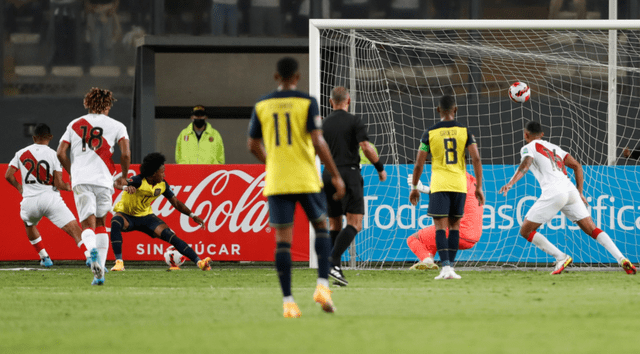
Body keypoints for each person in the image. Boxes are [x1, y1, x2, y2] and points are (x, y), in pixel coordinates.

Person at [247, 57, 346, 318]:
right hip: (305, 177)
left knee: (283, 242)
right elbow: (318, 140)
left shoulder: (262, 104)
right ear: (298, 77)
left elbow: (252, 144)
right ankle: (322, 286)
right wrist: (335, 175)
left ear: (276, 77)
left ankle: (289, 302)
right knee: (322, 228)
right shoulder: (307, 102)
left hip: (278, 180)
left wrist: (273, 161)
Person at [499, 121, 636, 275]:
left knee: (525, 230)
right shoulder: (555, 148)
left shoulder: (528, 148)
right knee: (592, 229)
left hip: (554, 191)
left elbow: (525, 164)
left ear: (526, 134)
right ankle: (622, 258)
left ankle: (560, 257)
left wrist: (510, 183)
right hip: (570, 189)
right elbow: (577, 165)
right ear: (542, 134)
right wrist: (580, 192)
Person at [57, 87, 131, 286]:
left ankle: (91, 254)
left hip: (82, 180)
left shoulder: (74, 124)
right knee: (101, 224)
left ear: (87, 104)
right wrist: (123, 177)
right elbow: (125, 154)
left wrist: (72, 172)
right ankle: (100, 274)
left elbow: (60, 153)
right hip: (104, 181)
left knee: (86, 225)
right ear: (108, 105)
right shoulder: (118, 125)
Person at [409, 95, 484, 280]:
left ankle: (445, 268)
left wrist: (415, 187)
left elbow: (419, 163)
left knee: (440, 228)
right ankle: (450, 268)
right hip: (459, 184)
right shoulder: (465, 131)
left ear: (438, 110)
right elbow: (476, 158)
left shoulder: (430, 132)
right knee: (455, 226)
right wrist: (479, 187)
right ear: (455, 109)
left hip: (440, 183)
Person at [321, 86, 386, 286]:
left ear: (331, 102)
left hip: (328, 174)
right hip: (349, 173)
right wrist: (379, 168)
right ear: (348, 100)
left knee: (334, 224)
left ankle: (336, 268)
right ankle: (332, 261)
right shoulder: (354, 121)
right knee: (355, 223)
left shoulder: (324, 123)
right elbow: (366, 147)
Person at [110, 153, 212, 272]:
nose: (164, 174)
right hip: (127, 215)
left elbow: (176, 203)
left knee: (169, 235)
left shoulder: (163, 185)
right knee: (115, 222)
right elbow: (117, 182)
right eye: (162, 172)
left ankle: (199, 262)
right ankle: (119, 263)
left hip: (146, 217)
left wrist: (192, 215)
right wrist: (125, 188)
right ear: (153, 173)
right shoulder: (138, 180)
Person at [5, 124, 85, 268]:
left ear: (34, 137)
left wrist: (19, 188)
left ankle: (44, 257)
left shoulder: (21, 153)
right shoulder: (54, 154)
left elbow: (8, 175)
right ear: (50, 137)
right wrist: (69, 186)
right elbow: (59, 183)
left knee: (29, 223)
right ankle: (90, 257)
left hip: (29, 201)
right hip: (50, 199)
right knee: (74, 229)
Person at [406, 172, 483, 270]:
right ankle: (428, 261)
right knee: (432, 239)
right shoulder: (473, 181)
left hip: (460, 232)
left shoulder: (458, 177)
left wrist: (422, 188)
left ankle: (427, 261)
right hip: (474, 236)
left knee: (413, 239)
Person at [84, 0, 121, 66]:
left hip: (108, 11)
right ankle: (96, 67)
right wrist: (90, 8)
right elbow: (86, 3)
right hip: (93, 11)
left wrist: (112, 9)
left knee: (108, 43)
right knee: (95, 44)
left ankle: (108, 67)